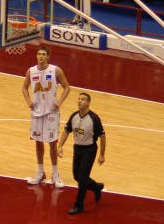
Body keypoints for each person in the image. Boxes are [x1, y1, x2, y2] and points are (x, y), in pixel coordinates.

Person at [22, 45, 70, 187]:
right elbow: (24, 87)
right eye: (39, 54)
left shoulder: (55, 70)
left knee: (52, 143)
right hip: (36, 112)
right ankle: (40, 172)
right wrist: (29, 102)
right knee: (38, 142)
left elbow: (67, 87)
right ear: (36, 56)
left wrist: (60, 102)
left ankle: (55, 174)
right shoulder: (31, 71)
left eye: (43, 54)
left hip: (51, 112)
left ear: (48, 56)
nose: (41, 56)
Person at [58, 92, 106, 214]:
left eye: (83, 99)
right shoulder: (74, 116)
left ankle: (79, 205)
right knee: (76, 176)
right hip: (77, 148)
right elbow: (66, 131)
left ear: (88, 102)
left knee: (83, 178)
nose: (80, 101)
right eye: (78, 99)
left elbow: (102, 136)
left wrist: (101, 154)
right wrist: (60, 146)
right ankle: (96, 187)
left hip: (89, 150)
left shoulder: (94, 118)